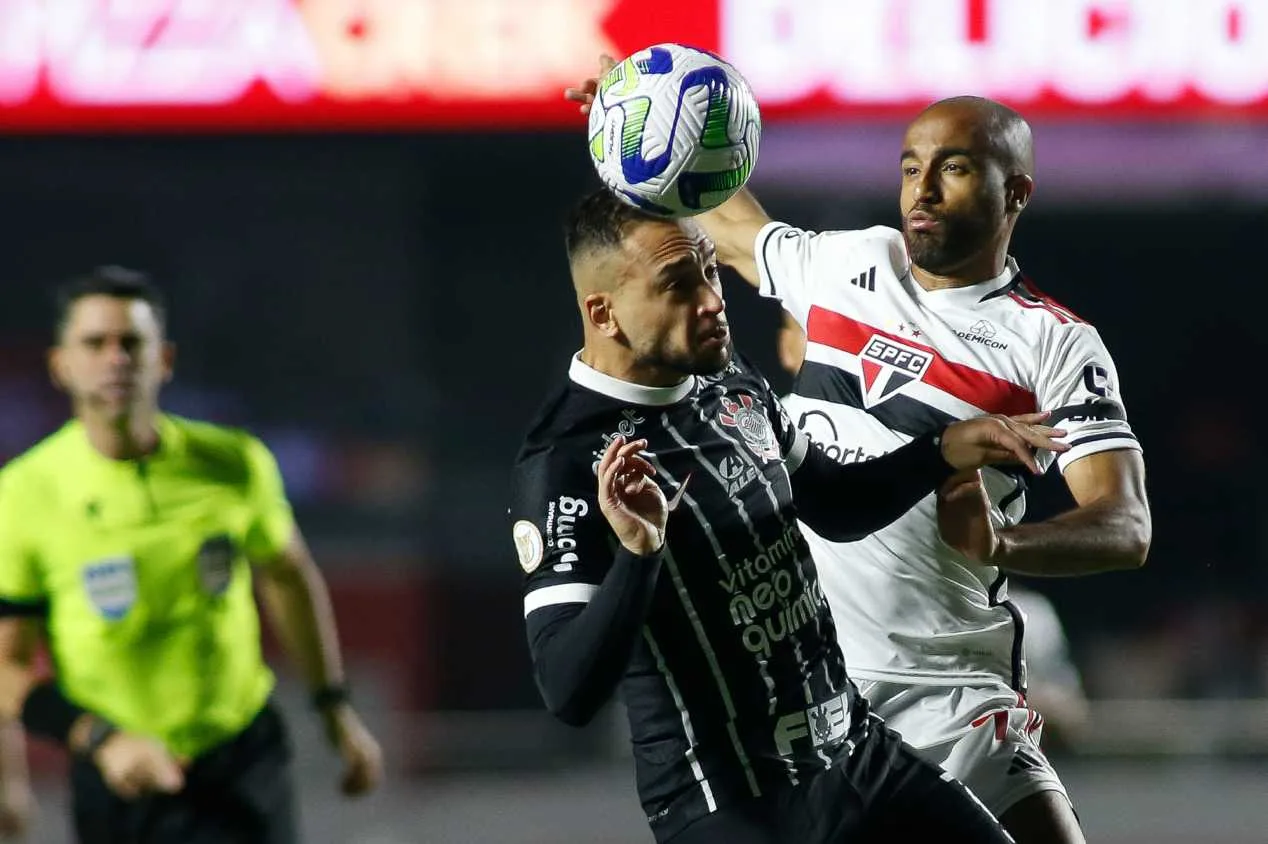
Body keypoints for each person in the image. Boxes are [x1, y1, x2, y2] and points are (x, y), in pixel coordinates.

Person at [510, 188, 1070, 843]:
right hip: (734, 809)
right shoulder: (567, 459)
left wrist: (940, 451)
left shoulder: (727, 378)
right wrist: (638, 557)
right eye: (678, 284)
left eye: (711, 270)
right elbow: (567, 691)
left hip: (856, 757)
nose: (714, 300)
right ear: (604, 313)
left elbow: (833, 504)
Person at [679, 93, 1150, 843]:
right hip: (807, 698)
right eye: (910, 168)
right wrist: (649, 119)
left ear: (1015, 192)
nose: (921, 191)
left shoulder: (1052, 342)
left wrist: (1004, 545)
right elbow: (730, 226)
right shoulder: (849, 264)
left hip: (952, 698)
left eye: (953, 168)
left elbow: (1124, 526)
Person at [0, 267, 384, 843]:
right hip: (120, 775)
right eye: (95, 343)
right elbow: (8, 667)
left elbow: (287, 575)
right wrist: (93, 744)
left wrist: (335, 711)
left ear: (165, 360)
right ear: (61, 365)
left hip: (239, 758)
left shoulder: (234, 462)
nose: (116, 359)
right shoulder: (24, 493)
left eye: (132, 342)